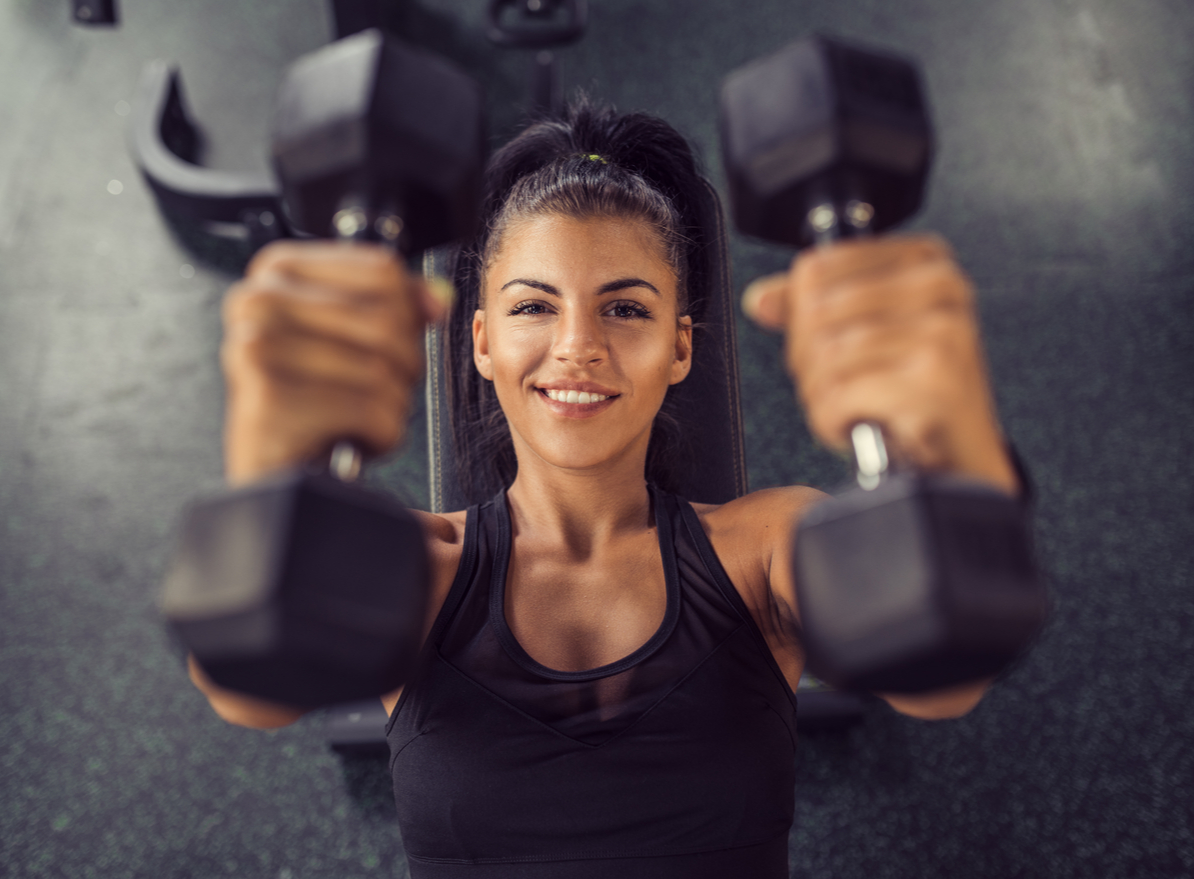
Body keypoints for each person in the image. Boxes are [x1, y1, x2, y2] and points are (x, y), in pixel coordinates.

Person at [188, 98, 1023, 877]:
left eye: (625, 309)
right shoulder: (416, 566)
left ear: (681, 347)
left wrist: (955, 440)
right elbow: (245, 696)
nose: (577, 346)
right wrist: (266, 466)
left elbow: (945, 684)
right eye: (533, 308)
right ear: (481, 342)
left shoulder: (765, 549)